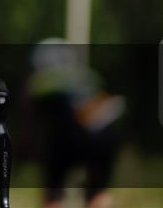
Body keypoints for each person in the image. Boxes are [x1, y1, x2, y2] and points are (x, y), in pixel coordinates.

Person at [27, 39, 124, 208]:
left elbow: (32, 120)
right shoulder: (88, 76)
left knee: (53, 189)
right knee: (97, 191)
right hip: (105, 135)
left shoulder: (41, 83)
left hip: (68, 136)